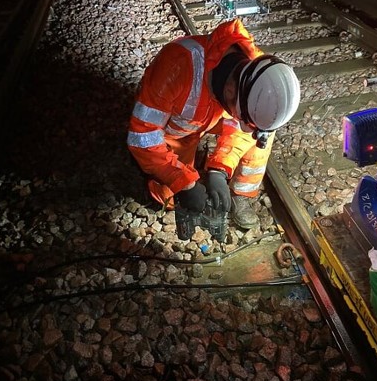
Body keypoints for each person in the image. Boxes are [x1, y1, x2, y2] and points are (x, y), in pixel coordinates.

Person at [127, 18, 300, 230]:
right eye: (240, 116)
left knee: (260, 132)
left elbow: (242, 128)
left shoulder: (258, 74)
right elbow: (142, 136)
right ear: (229, 92)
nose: (243, 123)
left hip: (213, 116)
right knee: (169, 197)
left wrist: (220, 169)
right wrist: (183, 182)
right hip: (176, 127)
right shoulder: (176, 65)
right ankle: (164, 188)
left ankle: (241, 193)